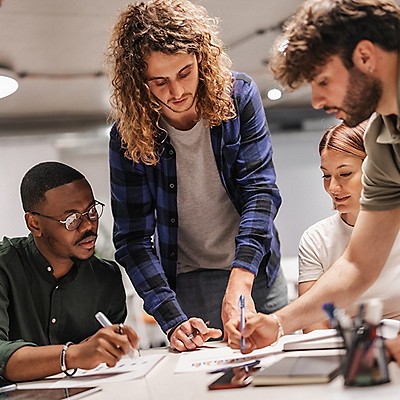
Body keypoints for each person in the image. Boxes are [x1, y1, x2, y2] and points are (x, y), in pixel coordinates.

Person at [106, 0, 288, 352]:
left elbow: (260, 191)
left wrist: (241, 278)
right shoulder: (127, 136)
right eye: (159, 81)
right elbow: (133, 238)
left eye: (185, 73)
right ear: (138, 82)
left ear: (201, 60)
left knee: (277, 371)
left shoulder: (238, 98)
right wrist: (172, 319)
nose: (177, 92)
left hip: (254, 271)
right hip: (186, 281)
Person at [225, 0, 400, 364]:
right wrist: (278, 321)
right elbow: (357, 264)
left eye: (323, 81)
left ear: (365, 56)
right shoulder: (384, 138)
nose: (318, 100)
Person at [0, 161, 138, 383]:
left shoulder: (106, 278)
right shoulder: (5, 268)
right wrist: (72, 355)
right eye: (72, 219)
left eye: (91, 211)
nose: (88, 226)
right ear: (34, 224)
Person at [299, 121, 400, 333]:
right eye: (326, 176)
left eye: (344, 174)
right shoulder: (316, 238)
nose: (333, 187)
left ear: (376, 169)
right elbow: (312, 325)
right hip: (348, 354)